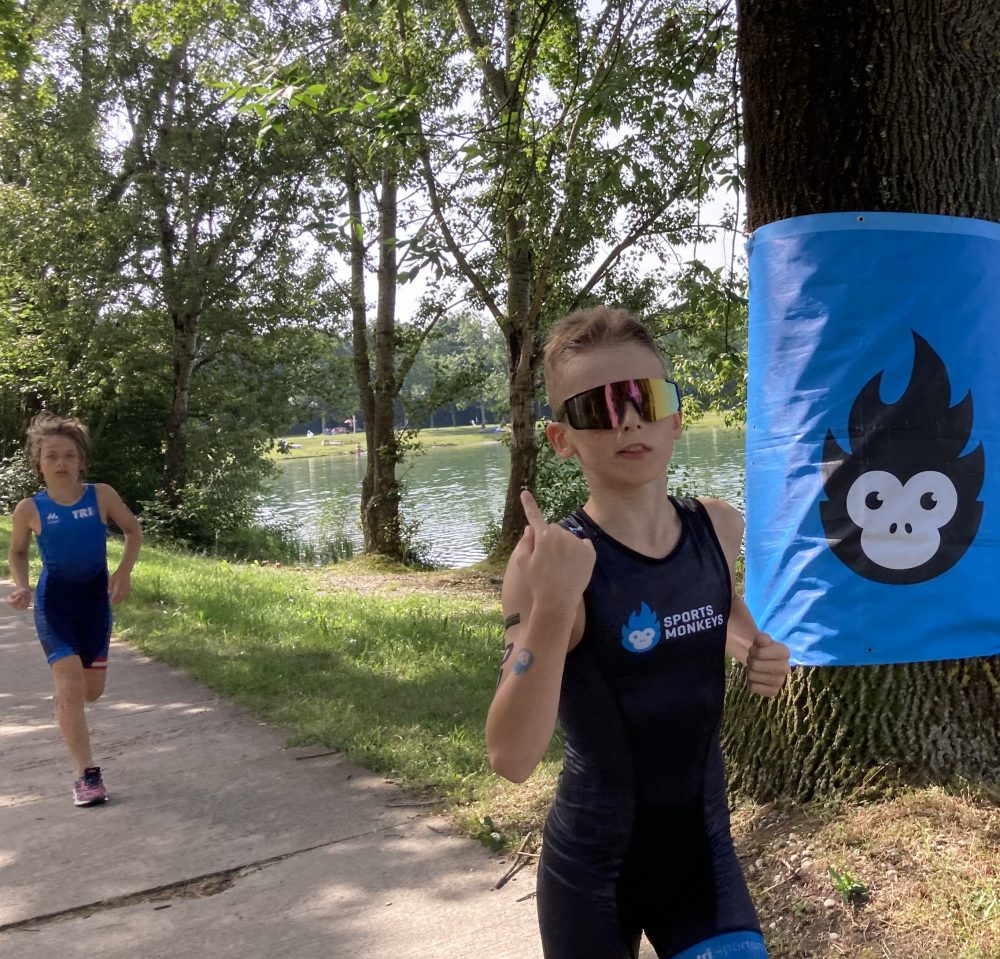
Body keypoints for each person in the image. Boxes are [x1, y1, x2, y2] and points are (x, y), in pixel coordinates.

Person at [486, 307, 791, 959]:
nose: (626, 420)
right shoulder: (546, 561)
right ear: (562, 438)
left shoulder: (718, 526)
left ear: (675, 417)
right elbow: (511, 758)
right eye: (596, 408)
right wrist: (553, 606)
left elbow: (718, 611)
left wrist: (761, 652)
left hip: (702, 856)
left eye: (644, 398)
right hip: (591, 876)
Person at [7, 413, 143, 807]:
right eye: (52, 456)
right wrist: (21, 585)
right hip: (55, 606)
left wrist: (123, 572)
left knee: (90, 692)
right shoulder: (29, 508)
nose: (61, 463)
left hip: (94, 606)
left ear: (81, 461)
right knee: (69, 686)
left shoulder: (101, 496)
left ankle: (67, 703)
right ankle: (86, 775)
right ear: (39, 464)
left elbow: (133, 531)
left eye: (69, 455)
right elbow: (17, 552)